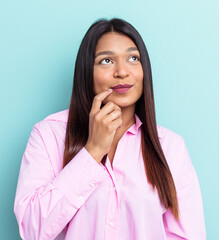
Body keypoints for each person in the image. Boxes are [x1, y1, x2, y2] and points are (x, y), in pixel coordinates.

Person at [14, 18, 206, 240]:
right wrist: (92, 151)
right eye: (106, 60)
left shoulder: (171, 147)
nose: (122, 72)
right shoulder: (49, 135)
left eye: (133, 58)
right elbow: (31, 229)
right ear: (88, 72)